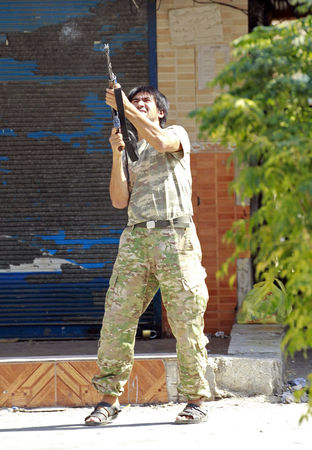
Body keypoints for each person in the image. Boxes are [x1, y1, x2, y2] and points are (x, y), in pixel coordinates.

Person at [85, 84, 211, 426]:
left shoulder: (174, 133)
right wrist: (116, 153)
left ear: (160, 112)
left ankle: (195, 399)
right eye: (135, 100)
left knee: (187, 322)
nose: (140, 104)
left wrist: (126, 106)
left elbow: (158, 140)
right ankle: (109, 400)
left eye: (146, 102)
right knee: (117, 320)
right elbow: (118, 200)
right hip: (137, 239)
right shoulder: (131, 147)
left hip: (175, 236)